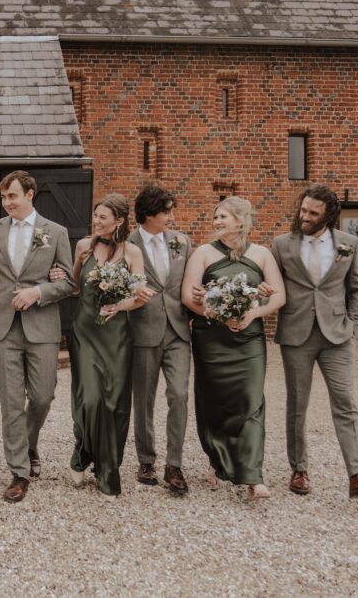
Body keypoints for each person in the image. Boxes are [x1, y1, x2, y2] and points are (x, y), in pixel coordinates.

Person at [272, 184, 358, 498]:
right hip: (296, 334)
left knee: (345, 403)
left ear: (328, 216)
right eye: (303, 210)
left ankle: (357, 474)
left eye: (312, 213)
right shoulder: (282, 244)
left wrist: (353, 326)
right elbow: (273, 286)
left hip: (337, 336)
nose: (304, 217)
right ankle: (299, 470)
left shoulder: (349, 243)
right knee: (297, 405)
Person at [181, 196, 285, 501]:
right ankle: (217, 461)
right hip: (211, 338)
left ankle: (254, 476)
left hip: (249, 340)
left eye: (223, 217)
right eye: (215, 218)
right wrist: (216, 314)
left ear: (240, 220)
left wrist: (252, 313)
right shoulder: (202, 253)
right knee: (213, 402)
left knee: (251, 403)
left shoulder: (262, 254)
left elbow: (278, 297)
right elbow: (188, 296)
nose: (216, 222)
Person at [0, 170, 74, 503]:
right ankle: (19, 472)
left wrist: (38, 291)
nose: (7, 203)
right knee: (10, 402)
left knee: (43, 395)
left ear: (30, 194)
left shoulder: (56, 232)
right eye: (4, 197)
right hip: (2, 325)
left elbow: (68, 282)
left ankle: (29, 442)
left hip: (42, 325)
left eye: (12, 196)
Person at [68, 194, 147, 497]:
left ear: (119, 221)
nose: (96, 221)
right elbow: (75, 287)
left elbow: (139, 295)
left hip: (116, 335)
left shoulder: (132, 252)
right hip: (84, 332)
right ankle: (81, 454)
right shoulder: (83, 247)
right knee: (89, 399)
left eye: (102, 217)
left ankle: (107, 466)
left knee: (114, 403)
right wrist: (73, 266)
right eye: (95, 215)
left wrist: (120, 306)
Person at [127, 185, 193, 494]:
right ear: (150, 213)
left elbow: (190, 283)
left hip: (179, 330)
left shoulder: (182, 242)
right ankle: (146, 460)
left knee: (179, 394)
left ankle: (174, 465)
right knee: (144, 399)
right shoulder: (127, 244)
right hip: (142, 329)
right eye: (167, 211)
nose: (172, 216)